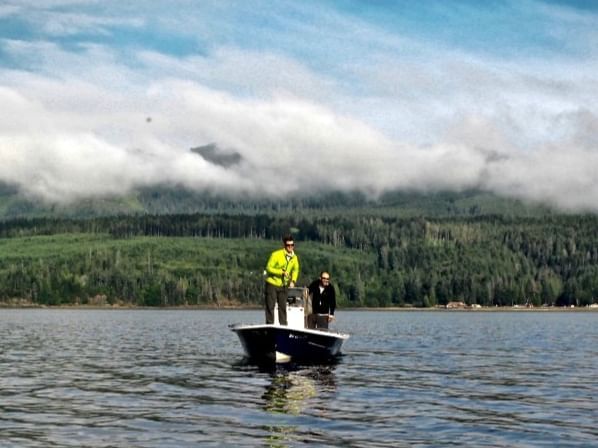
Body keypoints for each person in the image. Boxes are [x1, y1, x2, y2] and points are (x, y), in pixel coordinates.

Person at [264, 235, 300, 325]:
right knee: (270, 306)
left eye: (292, 245)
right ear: (284, 246)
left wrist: (293, 280)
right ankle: (270, 325)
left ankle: (283, 325)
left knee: (283, 307)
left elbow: (296, 270)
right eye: (288, 245)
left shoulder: (294, 258)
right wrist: (281, 272)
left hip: (284, 285)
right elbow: (268, 268)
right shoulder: (276, 255)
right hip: (272, 283)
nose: (290, 247)